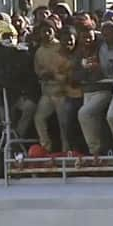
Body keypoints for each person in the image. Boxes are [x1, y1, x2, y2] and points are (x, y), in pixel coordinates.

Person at [74, 25, 113, 157]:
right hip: (87, 91)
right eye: (84, 37)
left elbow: (105, 71)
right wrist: (87, 72)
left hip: (103, 90)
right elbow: (76, 74)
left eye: (90, 37)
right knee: (94, 122)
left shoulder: (102, 49)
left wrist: (96, 71)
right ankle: (100, 152)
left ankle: (94, 151)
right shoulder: (78, 53)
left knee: (84, 114)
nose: (87, 40)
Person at [33, 20, 71, 153]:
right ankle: (45, 147)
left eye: (50, 30)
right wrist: (43, 75)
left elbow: (68, 70)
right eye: (44, 31)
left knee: (64, 125)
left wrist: (55, 75)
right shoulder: (39, 51)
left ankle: (67, 151)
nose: (47, 33)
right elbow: (37, 71)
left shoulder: (61, 47)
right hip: (47, 93)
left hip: (62, 92)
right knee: (39, 118)